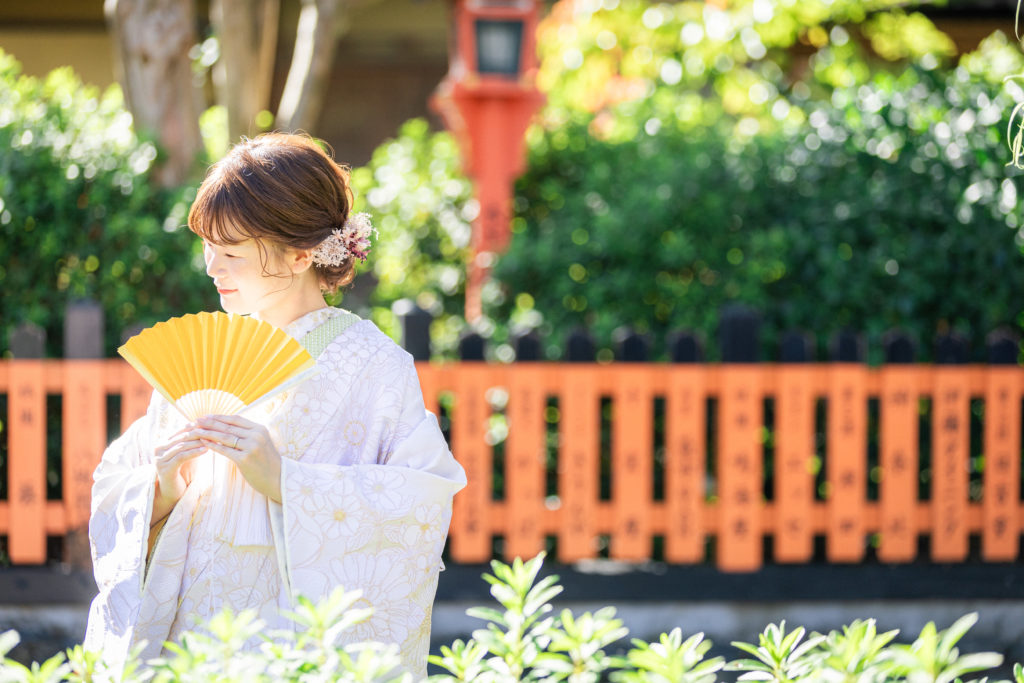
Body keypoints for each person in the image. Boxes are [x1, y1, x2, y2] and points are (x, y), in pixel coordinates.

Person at [84, 133, 466, 679]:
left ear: (301, 254)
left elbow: (420, 506)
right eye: (208, 247)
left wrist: (288, 482)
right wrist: (162, 486)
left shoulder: (375, 367)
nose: (212, 267)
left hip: (291, 642)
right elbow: (119, 482)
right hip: (192, 630)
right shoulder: (199, 357)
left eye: (232, 252)